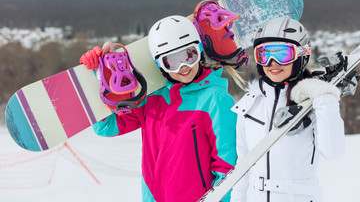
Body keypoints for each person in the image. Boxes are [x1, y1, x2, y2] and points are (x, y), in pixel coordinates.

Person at [80, 15, 243, 202]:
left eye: (189, 56)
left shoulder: (216, 99)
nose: (183, 67)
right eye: (172, 61)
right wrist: (98, 76)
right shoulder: (152, 100)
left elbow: (227, 164)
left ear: (199, 51)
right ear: (160, 64)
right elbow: (105, 127)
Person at [230, 17, 345, 202]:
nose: (272, 63)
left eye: (282, 54)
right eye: (265, 54)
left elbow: (333, 151)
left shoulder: (312, 103)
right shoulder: (250, 104)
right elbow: (242, 168)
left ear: (301, 55)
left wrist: (324, 98)